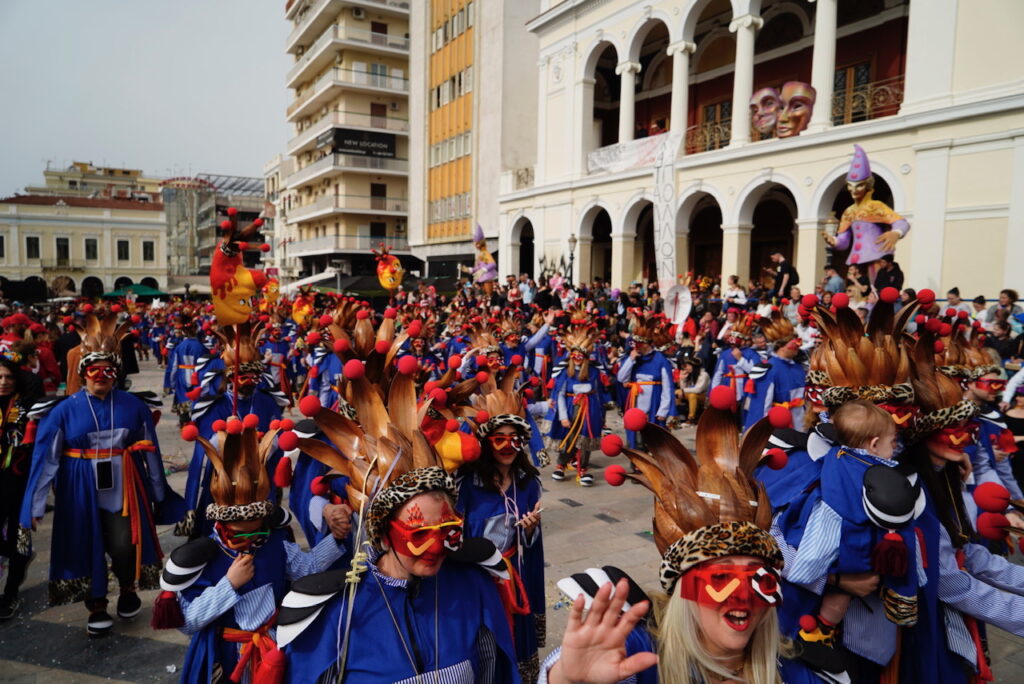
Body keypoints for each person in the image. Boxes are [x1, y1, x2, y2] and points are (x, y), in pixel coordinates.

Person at [541, 401, 786, 684]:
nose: (743, 596)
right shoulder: (640, 656)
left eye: (762, 581)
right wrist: (568, 679)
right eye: (720, 578)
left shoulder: (799, 670)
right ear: (684, 588)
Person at [18, 310, 181, 636]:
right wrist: (33, 507)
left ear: (116, 373)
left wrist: (159, 494)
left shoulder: (133, 407)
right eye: (93, 370)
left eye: (108, 370)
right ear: (83, 372)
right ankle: (96, 605)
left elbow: (150, 451)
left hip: (124, 487)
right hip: (79, 488)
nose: (100, 376)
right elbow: (45, 458)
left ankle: (127, 589)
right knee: (85, 542)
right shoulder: (64, 410)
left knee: (124, 542)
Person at [157, 417, 350, 682]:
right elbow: (187, 623)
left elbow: (308, 570)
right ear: (222, 521)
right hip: (223, 657)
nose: (249, 538)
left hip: (272, 651)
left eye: (256, 530)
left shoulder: (275, 543)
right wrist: (228, 585)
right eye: (238, 531)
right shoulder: (202, 557)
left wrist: (336, 538)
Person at [459, 390, 545, 681]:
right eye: (500, 438)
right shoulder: (468, 486)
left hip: (514, 576)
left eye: (516, 439)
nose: (509, 446)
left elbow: (533, 544)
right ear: (486, 442)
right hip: (479, 582)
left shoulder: (528, 483)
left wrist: (530, 532)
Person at [0, 355, 42, 620]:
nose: (3, 382)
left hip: (19, 485)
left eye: (8, 377)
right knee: (11, 545)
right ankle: (19, 556)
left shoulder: (29, 408)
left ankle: (10, 593)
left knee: (19, 538)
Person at [549, 328, 606, 485]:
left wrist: (601, 415)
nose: (577, 358)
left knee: (586, 438)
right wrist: (563, 417)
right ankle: (561, 464)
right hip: (569, 406)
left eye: (580, 356)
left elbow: (599, 393)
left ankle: (583, 468)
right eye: (574, 356)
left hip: (589, 407)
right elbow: (559, 393)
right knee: (570, 438)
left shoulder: (594, 371)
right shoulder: (565, 371)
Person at [678, 358, 709, 424]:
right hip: (691, 394)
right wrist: (682, 379)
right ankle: (679, 415)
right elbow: (683, 388)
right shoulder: (690, 374)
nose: (686, 368)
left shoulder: (704, 375)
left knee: (692, 395)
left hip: (703, 396)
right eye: (686, 366)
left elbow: (698, 389)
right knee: (676, 392)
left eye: (688, 366)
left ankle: (691, 417)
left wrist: (683, 390)